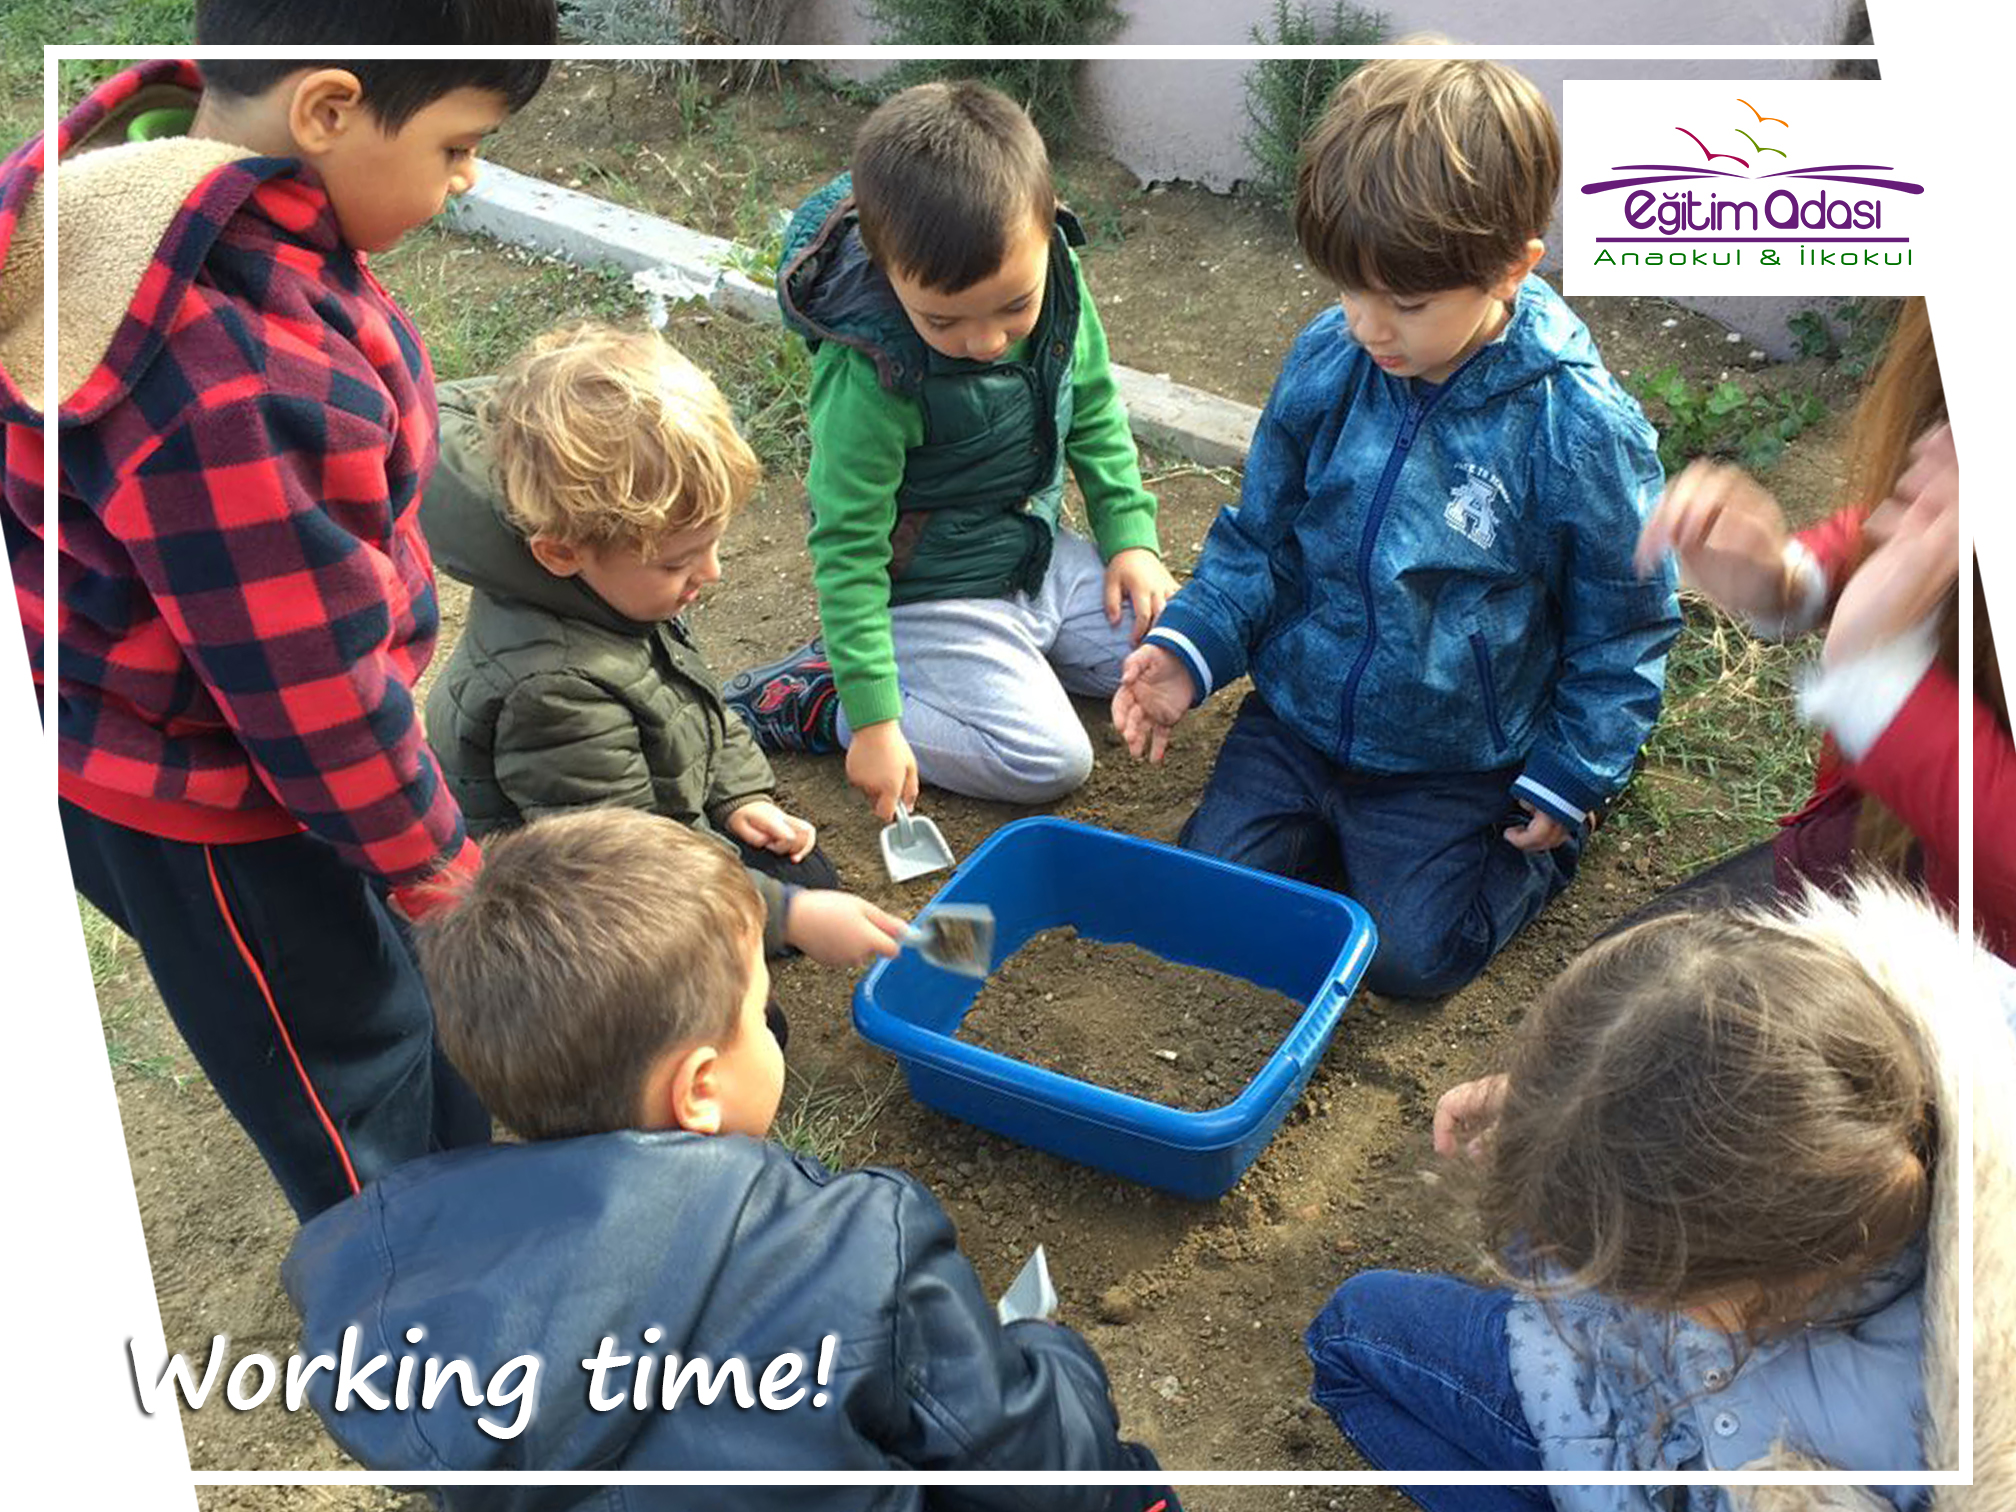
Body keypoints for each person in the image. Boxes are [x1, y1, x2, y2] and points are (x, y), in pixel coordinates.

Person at [0, 0, 559, 1219]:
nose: (467, 178)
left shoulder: (163, 188)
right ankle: (407, 1263)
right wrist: (436, 868)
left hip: (232, 748)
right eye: (458, 146)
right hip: (210, 801)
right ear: (329, 108)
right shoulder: (229, 378)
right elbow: (313, 695)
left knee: (371, 979)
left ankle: (454, 1168)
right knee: (336, 1061)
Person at [282, 807, 1178, 1509]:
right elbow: (1034, 1462)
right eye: (758, 1011)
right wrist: (1054, 1355)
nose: (768, 1023)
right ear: (700, 1088)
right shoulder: (857, 1251)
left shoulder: (420, 1295)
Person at [1111, 59, 1681, 999]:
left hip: (1453, 758)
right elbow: (1261, 540)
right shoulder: (1330, 360)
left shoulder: (1575, 429)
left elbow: (1626, 623)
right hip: (1299, 721)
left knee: (1410, 960)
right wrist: (1190, 649)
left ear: (1512, 267)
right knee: (1212, 900)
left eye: (1408, 304)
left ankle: (1533, 850)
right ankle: (1340, 847)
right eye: (1350, 289)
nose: (1370, 327)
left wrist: (1573, 770)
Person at [1305, 880, 2016, 1510]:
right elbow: (1710, 1074)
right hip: (1658, 1401)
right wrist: (1560, 1105)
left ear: (1753, 1287)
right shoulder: (1865, 1066)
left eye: (1643, 1281)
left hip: (1649, 1442)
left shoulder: (1933, 1451)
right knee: (1354, 1330)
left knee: (1347, 1342)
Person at [721, 80, 1179, 820]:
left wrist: (1130, 541)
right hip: (935, 592)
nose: (987, 340)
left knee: (1179, 647)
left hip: (1032, 558)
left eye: (1014, 306)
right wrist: (874, 723)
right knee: (1049, 760)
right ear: (885, 267)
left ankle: (1001, 667)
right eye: (943, 321)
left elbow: (1093, 404)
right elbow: (848, 547)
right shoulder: (871, 372)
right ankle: (829, 696)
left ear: (1044, 232)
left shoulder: (1058, 277)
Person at [421, 322, 906, 973]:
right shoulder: (552, 691)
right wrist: (788, 917)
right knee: (752, 1008)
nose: (712, 573)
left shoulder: (617, 592)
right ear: (561, 553)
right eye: (679, 562)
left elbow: (692, 699)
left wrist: (740, 798)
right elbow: (627, 877)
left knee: (807, 877)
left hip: (640, 818)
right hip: (569, 904)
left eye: (712, 545)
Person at [1632, 298, 2011, 961]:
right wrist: (1784, 577)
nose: (1933, 448)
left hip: (1976, 974)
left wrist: (1877, 683)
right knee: (1633, 971)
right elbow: (1902, 527)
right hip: (1861, 860)